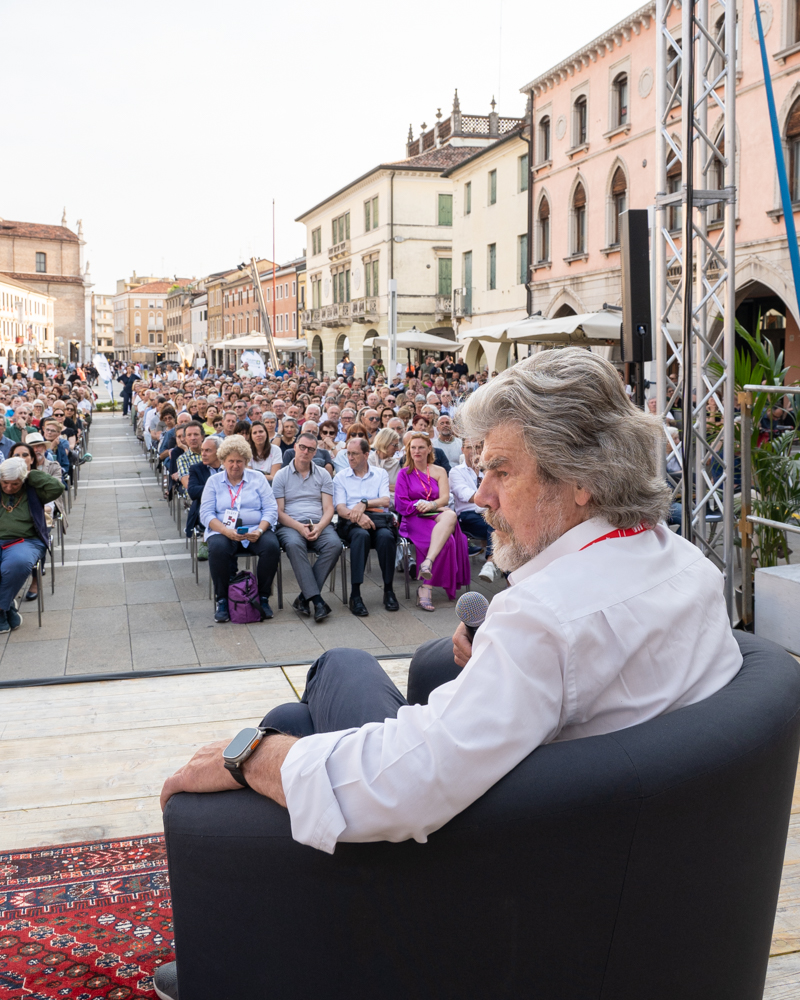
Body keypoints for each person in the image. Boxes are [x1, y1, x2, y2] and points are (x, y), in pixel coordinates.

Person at [199, 435, 280, 623]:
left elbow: (270, 509)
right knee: (218, 549)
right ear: (223, 461)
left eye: (240, 461)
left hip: (254, 529)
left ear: (246, 461)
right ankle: (223, 600)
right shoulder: (214, 482)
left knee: (271, 547)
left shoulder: (258, 478)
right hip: (223, 530)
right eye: (231, 461)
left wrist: (259, 530)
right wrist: (226, 531)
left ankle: (263, 597)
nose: (235, 466)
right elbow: (206, 514)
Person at [394, 432, 469, 610]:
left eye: (421, 447)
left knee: (450, 514)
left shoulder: (439, 470)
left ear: (429, 449)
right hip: (414, 517)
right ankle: (425, 586)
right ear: (408, 450)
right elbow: (400, 503)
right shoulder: (404, 473)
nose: (416, 451)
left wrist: (432, 505)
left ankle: (426, 569)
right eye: (413, 448)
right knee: (447, 541)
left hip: (434, 511)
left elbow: (444, 498)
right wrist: (422, 505)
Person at [273, 432, 340, 623]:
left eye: (310, 449)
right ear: (295, 447)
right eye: (302, 447)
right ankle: (317, 600)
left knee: (334, 545)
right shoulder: (281, 475)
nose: (305, 451)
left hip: (317, 522)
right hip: (290, 524)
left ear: (315, 452)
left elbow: (328, 508)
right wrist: (298, 527)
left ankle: (304, 597)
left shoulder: (323, 474)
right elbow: (279, 512)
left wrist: (319, 526)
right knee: (294, 545)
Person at [333, 436, 399, 616]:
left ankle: (388, 590)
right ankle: (355, 594)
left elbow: (385, 500)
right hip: (350, 522)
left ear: (366, 454)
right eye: (348, 454)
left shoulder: (380, 474)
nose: (350, 458)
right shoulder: (341, 477)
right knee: (361, 536)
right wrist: (357, 517)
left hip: (377, 519)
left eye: (355, 454)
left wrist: (364, 503)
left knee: (386, 537)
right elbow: (340, 508)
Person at [0, 455, 64, 633]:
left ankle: (0, 609)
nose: (9, 487)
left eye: (15, 483)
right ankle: (7, 608)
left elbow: (57, 487)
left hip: (27, 540)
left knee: (17, 563)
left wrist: (31, 475)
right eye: (5, 482)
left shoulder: (33, 489)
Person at [450, 437, 499, 583]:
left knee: (503, 526)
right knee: (500, 525)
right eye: (469, 447)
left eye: (478, 447)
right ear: (462, 450)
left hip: (489, 513)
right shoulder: (456, 472)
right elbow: (466, 495)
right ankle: (492, 563)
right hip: (468, 515)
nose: (474, 451)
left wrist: (483, 470)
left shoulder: (489, 471)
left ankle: (491, 563)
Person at [368, 428, 402, 495]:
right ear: (384, 443)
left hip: (393, 502)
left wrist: (380, 486)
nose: (397, 449)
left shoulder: (396, 464)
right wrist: (389, 486)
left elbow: (401, 487)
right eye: (395, 445)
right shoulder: (368, 461)